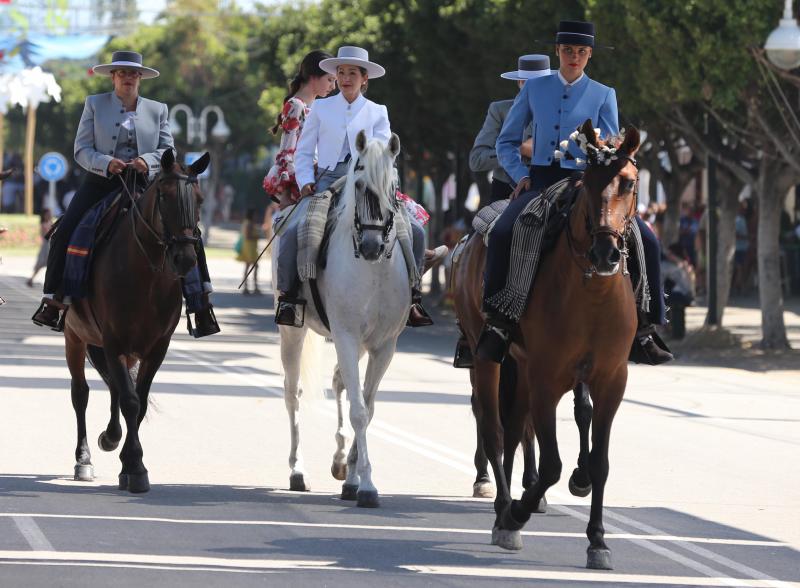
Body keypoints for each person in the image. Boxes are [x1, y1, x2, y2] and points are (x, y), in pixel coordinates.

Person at [478, 20, 672, 365]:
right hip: (540, 181)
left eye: (582, 52)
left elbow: (614, 149)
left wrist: (601, 157)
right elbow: (506, 142)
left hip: (588, 182)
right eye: (568, 51)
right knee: (506, 230)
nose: (575, 57)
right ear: (557, 52)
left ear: (590, 55)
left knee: (647, 239)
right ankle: (498, 323)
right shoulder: (534, 89)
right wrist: (521, 174)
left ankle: (646, 327)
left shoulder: (603, 93)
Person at [31, 51, 219, 336]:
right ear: (113, 76)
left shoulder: (158, 110)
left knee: (189, 232)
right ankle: (54, 300)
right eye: (122, 73)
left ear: (140, 77)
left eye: (133, 73)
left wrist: (148, 161)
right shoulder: (94, 104)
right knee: (64, 230)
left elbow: (167, 149)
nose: (128, 78)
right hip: (100, 182)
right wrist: (107, 163)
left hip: (144, 183)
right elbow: (81, 149)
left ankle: (200, 303)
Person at [274, 45, 446, 328]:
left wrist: (380, 182)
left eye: (352, 73)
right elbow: (304, 151)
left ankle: (413, 297)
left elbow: (385, 156)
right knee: (293, 229)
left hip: (368, 183)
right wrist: (305, 182)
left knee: (414, 229)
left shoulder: (378, 111)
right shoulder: (321, 108)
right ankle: (290, 299)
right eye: (340, 73)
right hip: (327, 181)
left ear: (364, 78)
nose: (345, 78)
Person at [469, 55, 551, 204]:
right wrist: (515, 151)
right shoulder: (500, 110)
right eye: (529, 83)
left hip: (550, 190)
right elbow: (477, 160)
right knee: (492, 227)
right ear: (520, 83)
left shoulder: (561, 112)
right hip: (505, 192)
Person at [263, 50, 336, 210]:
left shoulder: (320, 109)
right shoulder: (296, 105)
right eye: (330, 79)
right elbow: (286, 153)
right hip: (302, 184)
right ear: (313, 76)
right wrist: (287, 192)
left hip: (320, 177)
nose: (333, 86)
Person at [27, 208, 53, 288]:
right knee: (41, 263)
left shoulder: (51, 223)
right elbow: (46, 236)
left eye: (49, 214)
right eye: (47, 214)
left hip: (50, 245)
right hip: (45, 246)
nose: (49, 216)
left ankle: (33, 279)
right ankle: (31, 279)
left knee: (50, 264)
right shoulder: (43, 224)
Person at [237, 208, 261, 294]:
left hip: (252, 248)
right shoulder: (248, 223)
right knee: (251, 267)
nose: (256, 216)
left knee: (252, 267)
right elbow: (247, 236)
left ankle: (250, 286)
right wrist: (257, 237)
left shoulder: (250, 223)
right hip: (249, 248)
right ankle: (249, 286)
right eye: (255, 214)